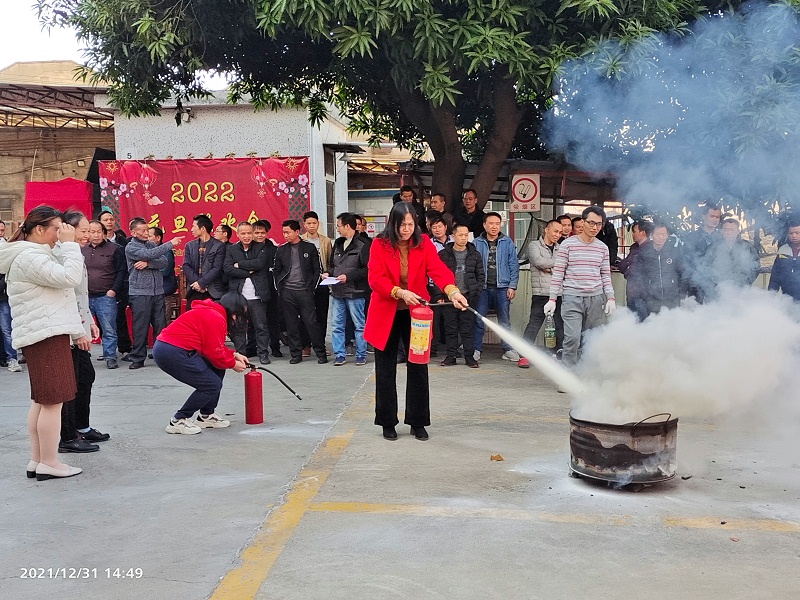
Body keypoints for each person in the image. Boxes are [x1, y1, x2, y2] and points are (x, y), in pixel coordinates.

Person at [365, 201, 468, 441]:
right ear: (393, 223)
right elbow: (375, 278)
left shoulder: (424, 246)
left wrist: (453, 292)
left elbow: (439, 271)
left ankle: (418, 421)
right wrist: (399, 292)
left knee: (419, 366)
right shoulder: (379, 245)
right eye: (402, 224)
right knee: (385, 368)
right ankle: (387, 422)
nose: (406, 229)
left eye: (410, 224)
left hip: (416, 314)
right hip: (386, 312)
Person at [0, 206, 85, 480]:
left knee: (42, 401)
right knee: (52, 402)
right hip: (45, 334)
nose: (59, 235)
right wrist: (71, 247)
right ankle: (49, 461)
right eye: (56, 229)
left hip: (43, 332)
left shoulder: (31, 254)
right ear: (39, 230)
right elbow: (70, 278)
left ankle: (38, 461)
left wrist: (64, 246)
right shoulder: (30, 257)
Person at [154, 292, 250, 435]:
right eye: (237, 315)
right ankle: (179, 419)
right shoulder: (216, 318)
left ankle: (207, 415)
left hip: (170, 348)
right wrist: (233, 364)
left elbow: (212, 345)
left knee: (217, 368)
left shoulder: (214, 313)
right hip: (171, 351)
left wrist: (234, 355)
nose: (236, 319)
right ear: (232, 311)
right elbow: (214, 352)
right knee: (211, 385)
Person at [59, 211, 109, 453]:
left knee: (85, 377)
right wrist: (78, 329)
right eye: (84, 230)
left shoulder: (75, 253)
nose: (88, 235)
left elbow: (81, 296)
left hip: (79, 322)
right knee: (72, 382)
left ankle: (82, 427)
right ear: (68, 229)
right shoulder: (62, 254)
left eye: (90, 231)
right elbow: (67, 295)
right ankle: (68, 436)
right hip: (68, 330)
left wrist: (88, 321)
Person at [546, 206, 616, 368]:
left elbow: (605, 275)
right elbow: (558, 273)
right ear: (582, 222)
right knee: (572, 338)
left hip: (596, 298)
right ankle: (568, 374)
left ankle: (588, 373)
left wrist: (610, 297)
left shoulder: (602, 248)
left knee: (592, 338)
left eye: (599, 224)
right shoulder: (568, 245)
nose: (594, 227)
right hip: (571, 297)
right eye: (591, 223)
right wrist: (552, 299)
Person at [125, 217, 184, 369]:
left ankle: (161, 355)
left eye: (147, 230)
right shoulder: (130, 247)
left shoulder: (151, 244)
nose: (146, 233)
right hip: (140, 292)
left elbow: (163, 262)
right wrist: (170, 244)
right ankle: (138, 357)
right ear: (133, 232)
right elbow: (151, 254)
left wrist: (148, 264)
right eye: (143, 231)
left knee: (160, 325)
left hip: (158, 290)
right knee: (140, 326)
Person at [273, 220, 328, 364]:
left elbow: (318, 270)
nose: (285, 235)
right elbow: (277, 271)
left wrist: (312, 288)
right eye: (284, 232)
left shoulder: (309, 248)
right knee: (291, 325)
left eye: (288, 232)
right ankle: (295, 354)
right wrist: (281, 289)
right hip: (287, 292)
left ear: (297, 232)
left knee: (311, 322)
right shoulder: (281, 250)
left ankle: (321, 353)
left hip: (305, 291)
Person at [224, 221, 274, 364]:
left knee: (261, 326)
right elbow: (227, 269)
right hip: (238, 295)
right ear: (238, 234)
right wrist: (247, 271)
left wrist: (239, 265)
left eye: (249, 233)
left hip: (257, 295)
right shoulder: (231, 250)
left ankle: (263, 353)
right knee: (238, 327)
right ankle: (241, 353)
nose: (246, 236)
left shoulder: (261, 247)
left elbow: (259, 264)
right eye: (243, 233)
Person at [473, 212, 520, 362]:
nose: (494, 226)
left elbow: (514, 265)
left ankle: (508, 349)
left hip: (503, 287)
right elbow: (472, 266)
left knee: (504, 320)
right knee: (479, 319)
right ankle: (475, 349)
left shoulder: (507, 242)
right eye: (491, 223)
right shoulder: (476, 242)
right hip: (483, 288)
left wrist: (512, 286)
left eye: (497, 224)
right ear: (484, 225)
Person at [435, 223, 484, 367]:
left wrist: (475, 293)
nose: (464, 238)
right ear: (453, 236)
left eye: (466, 235)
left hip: (468, 296)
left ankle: (469, 357)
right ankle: (451, 356)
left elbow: (480, 276)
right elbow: (437, 276)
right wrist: (440, 296)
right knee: (450, 328)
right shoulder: (444, 254)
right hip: (448, 297)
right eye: (460, 235)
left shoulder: (474, 254)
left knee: (467, 328)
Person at [325, 213, 370, 366]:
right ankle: (340, 354)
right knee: (337, 325)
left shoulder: (364, 244)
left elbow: (367, 270)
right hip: (338, 291)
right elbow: (334, 266)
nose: (337, 229)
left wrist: (349, 277)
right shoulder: (338, 244)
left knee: (359, 325)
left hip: (355, 291)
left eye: (338, 226)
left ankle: (361, 354)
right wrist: (328, 273)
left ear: (347, 226)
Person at [520, 219, 564, 368]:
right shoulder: (534, 245)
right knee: (534, 324)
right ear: (546, 229)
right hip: (541, 293)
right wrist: (555, 266)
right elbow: (538, 261)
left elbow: (565, 265)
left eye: (560, 232)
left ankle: (555, 354)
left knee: (559, 326)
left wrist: (549, 267)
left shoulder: (561, 248)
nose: (557, 235)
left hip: (558, 293)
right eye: (555, 231)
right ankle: (524, 355)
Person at [84, 219, 126, 368]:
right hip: (86, 296)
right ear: (87, 233)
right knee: (83, 329)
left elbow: (122, 271)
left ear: (104, 233)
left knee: (109, 328)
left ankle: (110, 356)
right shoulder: (82, 249)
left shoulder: (115, 249)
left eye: (98, 231)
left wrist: (113, 290)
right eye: (92, 231)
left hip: (105, 296)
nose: (95, 235)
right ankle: (83, 357)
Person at [98, 210, 133, 359]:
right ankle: (108, 350)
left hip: (120, 285)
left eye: (111, 219)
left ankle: (124, 348)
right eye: (105, 220)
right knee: (102, 319)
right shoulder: (96, 243)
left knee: (119, 317)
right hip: (101, 286)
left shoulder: (122, 241)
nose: (109, 222)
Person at [700, 218, 760, 301]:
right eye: (725, 230)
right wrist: (715, 285)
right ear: (721, 231)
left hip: (741, 291)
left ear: (738, 231)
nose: (728, 233)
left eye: (732, 230)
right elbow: (706, 267)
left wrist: (744, 283)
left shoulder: (747, 247)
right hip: (718, 292)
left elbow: (755, 268)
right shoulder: (714, 247)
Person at [635, 222, 686, 316]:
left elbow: (682, 273)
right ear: (651, 235)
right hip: (651, 300)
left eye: (663, 234)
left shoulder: (674, 252)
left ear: (667, 236)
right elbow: (638, 275)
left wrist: (680, 293)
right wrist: (645, 294)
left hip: (672, 299)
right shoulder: (643, 253)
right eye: (658, 234)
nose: (660, 237)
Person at [301, 211, 332, 356]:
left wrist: (328, 273)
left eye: (314, 223)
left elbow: (330, 261)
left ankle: (320, 344)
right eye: (309, 223)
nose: (312, 226)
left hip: (322, 282)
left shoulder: (325, 241)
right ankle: (306, 345)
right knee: (306, 314)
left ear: (318, 224)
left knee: (321, 314)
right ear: (304, 225)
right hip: (306, 283)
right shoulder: (301, 240)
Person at [253, 219, 284, 357]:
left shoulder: (274, 249)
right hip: (253, 289)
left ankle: (275, 347)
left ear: (267, 233)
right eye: (257, 232)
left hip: (271, 288)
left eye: (262, 233)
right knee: (254, 321)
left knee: (273, 319)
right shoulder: (249, 248)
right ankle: (252, 347)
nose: (259, 235)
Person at [183, 214, 227, 309]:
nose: (192, 229)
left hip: (212, 291)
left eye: (194, 226)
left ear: (202, 228)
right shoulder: (189, 246)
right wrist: (197, 283)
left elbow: (217, 268)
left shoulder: (219, 245)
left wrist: (202, 283)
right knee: (192, 320)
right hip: (194, 289)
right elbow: (186, 266)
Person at [683, 203, 722, 303]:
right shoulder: (691, 237)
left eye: (717, 217)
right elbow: (685, 262)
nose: (715, 219)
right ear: (703, 216)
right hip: (695, 286)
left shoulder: (722, 238)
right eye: (712, 216)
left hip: (717, 287)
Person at [618, 220, 653, 322]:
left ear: (643, 233)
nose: (632, 234)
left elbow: (636, 270)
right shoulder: (634, 247)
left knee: (642, 323)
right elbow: (624, 265)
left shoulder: (650, 249)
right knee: (631, 322)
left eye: (634, 231)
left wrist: (628, 269)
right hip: (631, 292)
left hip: (643, 295)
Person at [148, 227, 179, 323]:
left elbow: (164, 271)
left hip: (164, 289)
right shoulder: (147, 251)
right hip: (150, 291)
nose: (147, 238)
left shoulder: (166, 251)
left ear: (158, 238)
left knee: (162, 321)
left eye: (149, 236)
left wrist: (147, 267)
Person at [768, 217, 800, 301]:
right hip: (786, 298)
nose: (794, 236)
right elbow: (775, 275)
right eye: (791, 233)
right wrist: (771, 294)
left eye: (797, 233)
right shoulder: (783, 250)